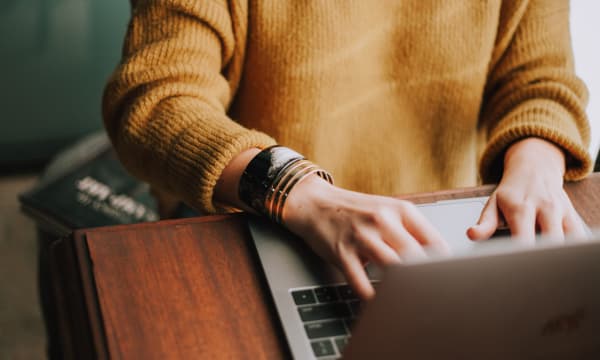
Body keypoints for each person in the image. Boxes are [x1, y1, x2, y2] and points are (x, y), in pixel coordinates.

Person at [103, 0, 593, 300]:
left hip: (445, 239)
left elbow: (541, 79)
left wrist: (538, 160)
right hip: (261, 224)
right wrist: (298, 191)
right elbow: (155, 100)